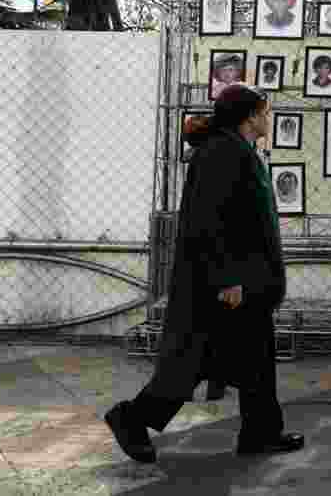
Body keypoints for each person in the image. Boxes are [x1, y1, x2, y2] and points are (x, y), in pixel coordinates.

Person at [105, 84, 303, 464]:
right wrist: (227, 279)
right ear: (250, 116)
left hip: (248, 281)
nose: (269, 117)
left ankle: (260, 433)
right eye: (265, 110)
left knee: (256, 358)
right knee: (195, 360)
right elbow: (207, 222)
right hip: (222, 283)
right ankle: (131, 417)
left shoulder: (237, 150)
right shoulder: (221, 154)